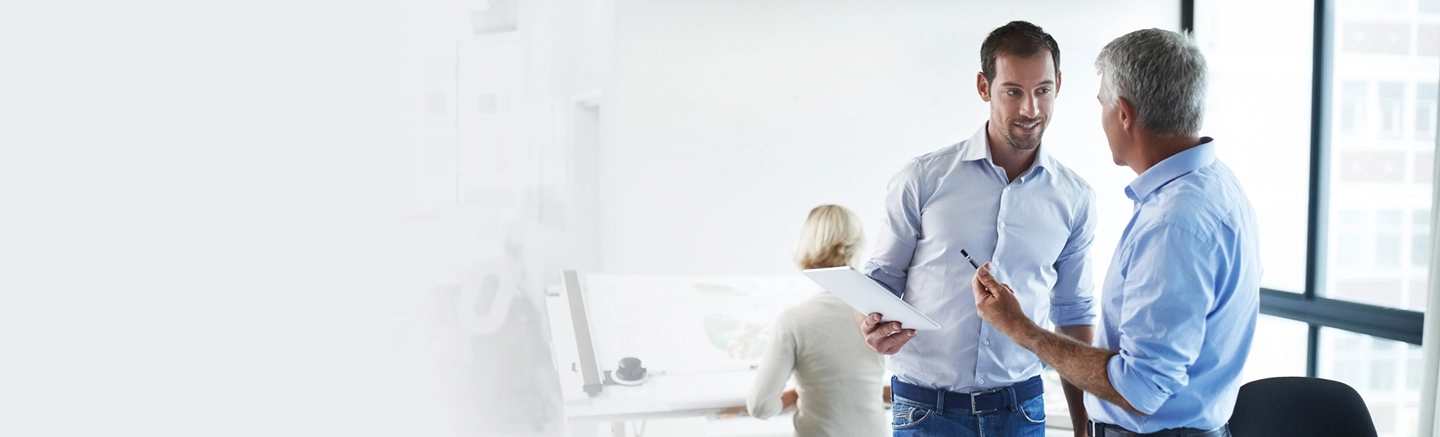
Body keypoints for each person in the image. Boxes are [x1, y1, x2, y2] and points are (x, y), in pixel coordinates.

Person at [971, 28, 1260, 437]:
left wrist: (1022, 329)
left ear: (1123, 113)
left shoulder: (1172, 224)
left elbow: (1140, 388)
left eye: (1102, 103)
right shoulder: (1216, 184)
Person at [856, 20, 1097, 437]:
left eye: (1042, 90)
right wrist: (870, 325)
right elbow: (880, 279)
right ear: (984, 87)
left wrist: (1083, 427)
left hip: (1021, 411)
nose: (1030, 110)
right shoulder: (923, 179)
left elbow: (1073, 316)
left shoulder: (1075, 197)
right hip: (926, 411)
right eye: (1013, 92)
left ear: (1058, 84)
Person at [747, 205, 888, 436]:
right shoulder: (878, 316)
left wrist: (796, 395)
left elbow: (761, 406)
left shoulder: (794, 321)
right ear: (856, 245)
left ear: (807, 245)